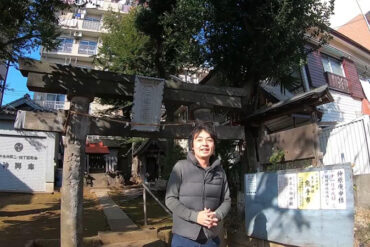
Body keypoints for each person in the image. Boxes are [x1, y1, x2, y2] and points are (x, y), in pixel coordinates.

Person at [165, 123, 231, 247]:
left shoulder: (220, 172)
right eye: (199, 140)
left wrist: (217, 215)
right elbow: (170, 199)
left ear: (214, 146)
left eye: (209, 140)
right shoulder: (180, 167)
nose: (204, 144)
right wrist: (195, 217)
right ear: (192, 146)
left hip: (211, 238)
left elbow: (226, 200)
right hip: (184, 238)